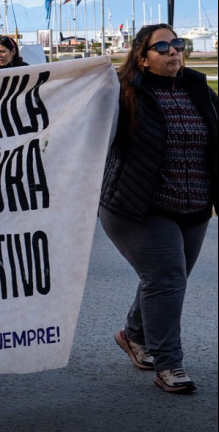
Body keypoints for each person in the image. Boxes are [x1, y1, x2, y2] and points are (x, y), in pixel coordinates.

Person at [100, 23, 217, 394]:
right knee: (167, 278)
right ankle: (169, 364)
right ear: (143, 58)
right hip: (137, 206)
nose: (173, 51)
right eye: (162, 47)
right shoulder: (123, 93)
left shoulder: (198, 89)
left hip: (194, 206)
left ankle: (134, 335)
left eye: (177, 44)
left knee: (166, 278)